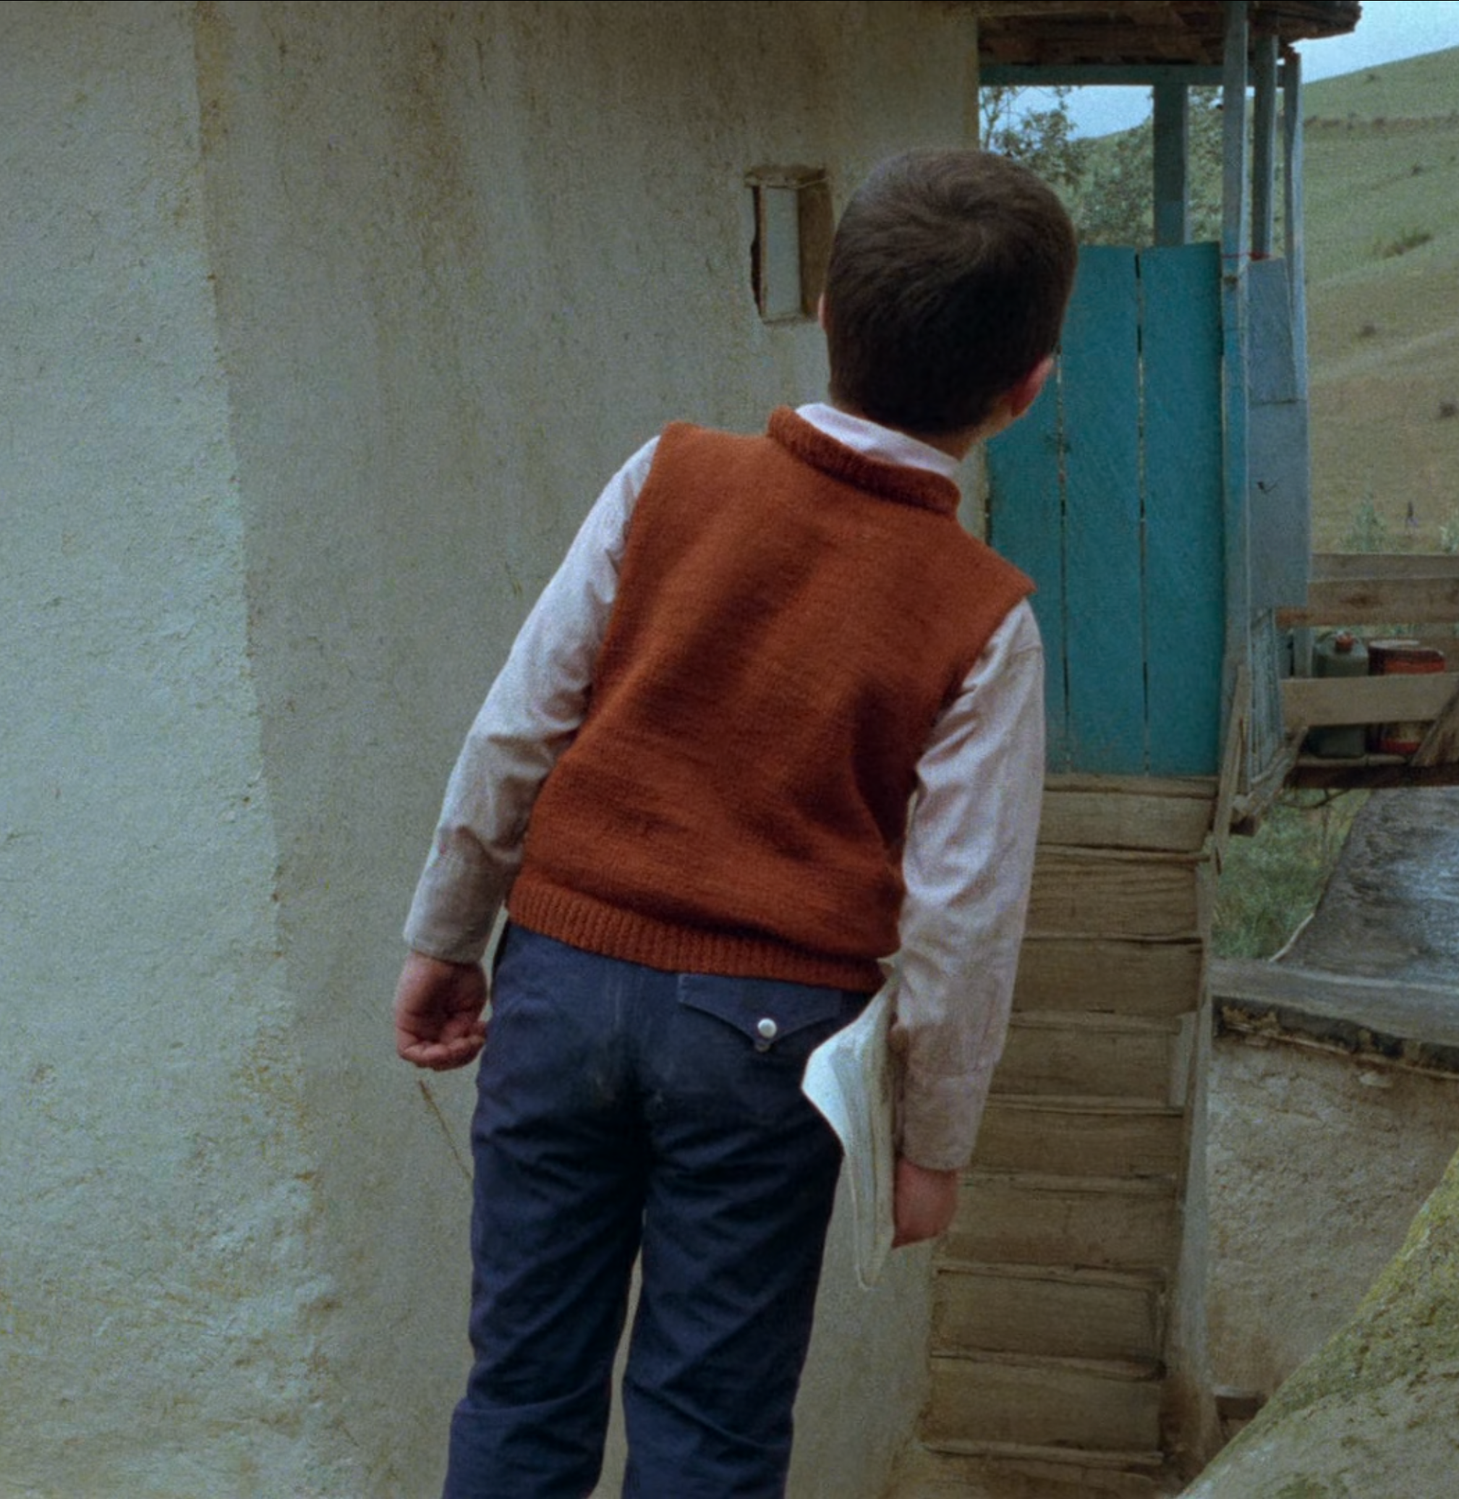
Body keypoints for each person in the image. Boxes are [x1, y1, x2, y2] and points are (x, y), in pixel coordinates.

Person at [392, 148, 1076, 1499]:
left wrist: (445, 933)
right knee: (709, 1429)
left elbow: (517, 729)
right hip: (768, 1044)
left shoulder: (668, 479)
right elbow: (963, 920)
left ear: (824, 313)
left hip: (557, 989)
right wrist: (931, 1144)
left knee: (520, 1388)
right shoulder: (987, 619)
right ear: (1027, 389)